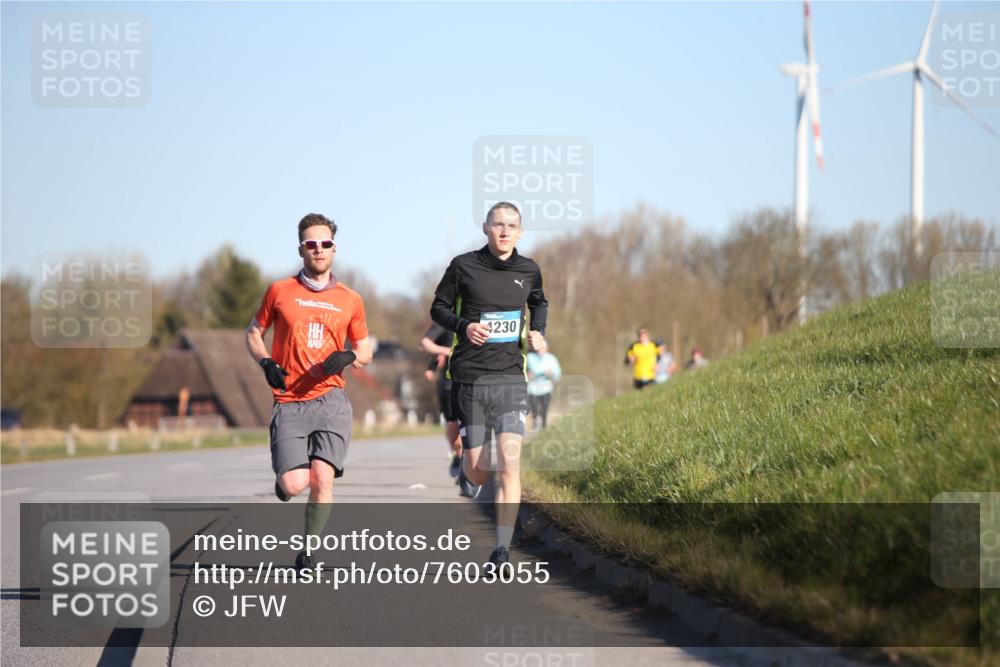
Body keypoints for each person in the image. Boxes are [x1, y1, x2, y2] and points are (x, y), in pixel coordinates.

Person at [245, 213, 373, 569]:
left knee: (322, 478)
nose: (319, 249)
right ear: (301, 249)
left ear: (334, 248)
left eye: (325, 244)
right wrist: (266, 363)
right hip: (289, 402)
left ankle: (307, 552)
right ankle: (284, 484)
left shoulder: (351, 298)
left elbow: (366, 350)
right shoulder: (279, 291)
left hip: (331, 400)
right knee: (295, 483)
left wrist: (349, 355)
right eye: (311, 244)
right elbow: (254, 332)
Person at [430, 201, 547, 567]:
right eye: (498, 224)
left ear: (520, 232)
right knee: (480, 468)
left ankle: (501, 550)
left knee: (511, 465)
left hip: (511, 378)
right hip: (470, 379)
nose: (504, 231)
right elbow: (438, 308)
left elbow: (539, 303)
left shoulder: (529, 270)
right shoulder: (464, 266)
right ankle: (468, 473)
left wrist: (538, 332)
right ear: (485, 227)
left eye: (511, 225)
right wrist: (464, 327)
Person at [420, 322, 462, 477]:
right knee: (453, 427)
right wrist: (432, 366)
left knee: (469, 424)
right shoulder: (447, 320)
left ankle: (468, 461)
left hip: (472, 380)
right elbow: (427, 344)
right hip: (449, 381)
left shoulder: (479, 314)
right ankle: (457, 456)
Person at [526, 339, 561, 430]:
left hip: (546, 388)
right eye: (539, 348)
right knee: (534, 409)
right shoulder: (529, 357)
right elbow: (524, 372)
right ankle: (535, 424)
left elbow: (557, 374)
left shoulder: (551, 359)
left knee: (544, 408)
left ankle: (544, 426)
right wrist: (528, 374)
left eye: (543, 348)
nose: (541, 350)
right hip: (532, 389)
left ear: (546, 348)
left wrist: (551, 373)